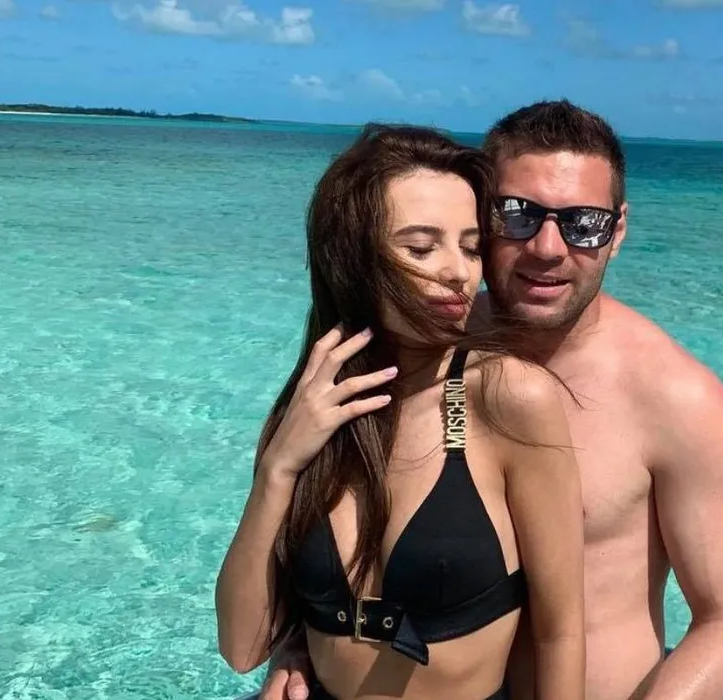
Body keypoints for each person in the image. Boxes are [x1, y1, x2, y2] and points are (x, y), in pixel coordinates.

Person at [258, 100, 723, 700]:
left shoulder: (675, 398)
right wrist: (307, 635)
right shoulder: (419, 345)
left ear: (618, 231)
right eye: (518, 215)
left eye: (584, 223)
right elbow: (339, 519)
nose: (548, 247)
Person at [215, 123, 586, 700]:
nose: (458, 272)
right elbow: (243, 647)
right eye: (420, 248)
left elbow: (560, 633)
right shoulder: (314, 407)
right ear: (354, 260)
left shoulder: (506, 397)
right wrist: (278, 469)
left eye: (471, 247)